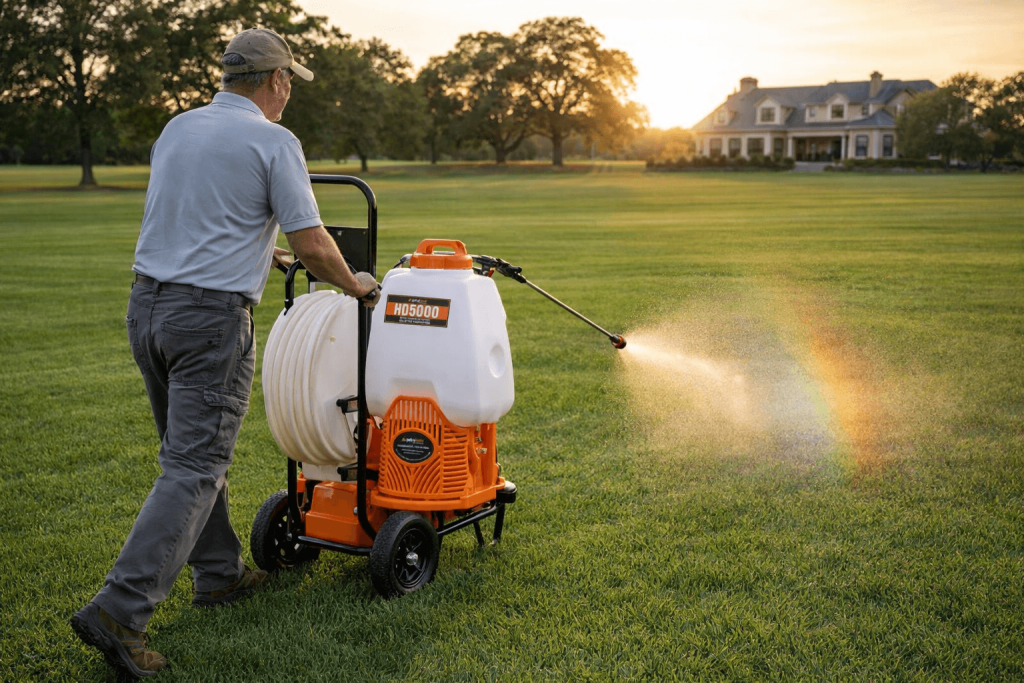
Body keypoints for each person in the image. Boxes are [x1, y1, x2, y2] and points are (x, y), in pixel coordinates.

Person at [70, 27, 380, 679]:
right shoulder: (274, 140)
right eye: (289, 80)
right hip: (208, 320)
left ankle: (219, 574)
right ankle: (119, 610)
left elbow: (190, 216)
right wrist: (356, 283)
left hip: (147, 307)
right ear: (274, 81)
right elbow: (317, 242)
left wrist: (258, 247)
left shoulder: (178, 129)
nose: (289, 90)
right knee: (195, 465)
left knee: (185, 458)